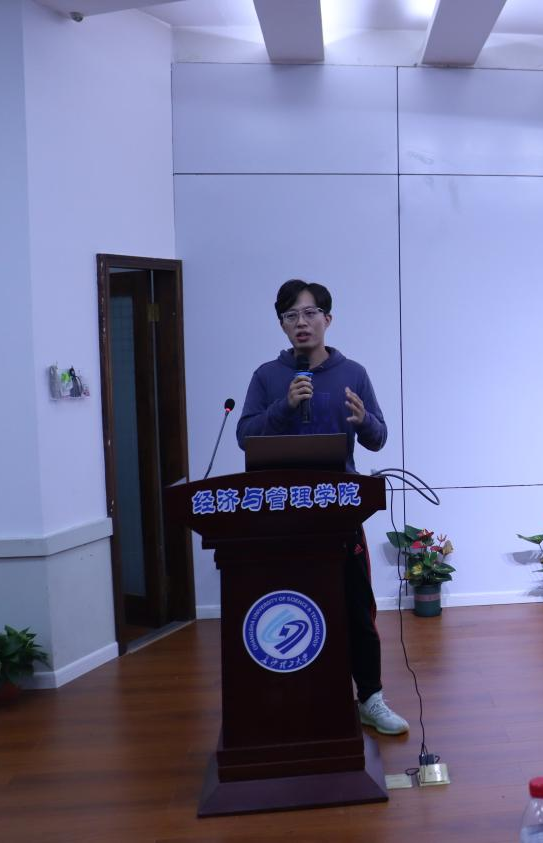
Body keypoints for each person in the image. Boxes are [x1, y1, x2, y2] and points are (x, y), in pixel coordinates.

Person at [236, 278, 408, 736]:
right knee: (289, 607)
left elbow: (378, 438)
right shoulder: (267, 377)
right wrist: (283, 407)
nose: (302, 323)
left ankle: (369, 698)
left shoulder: (353, 373)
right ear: (282, 325)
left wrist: (363, 420)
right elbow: (244, 437)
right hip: (283, 514)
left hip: (340, 512)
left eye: (310, 313)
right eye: (291, 315)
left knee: (356, 610)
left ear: (327, 319)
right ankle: (291, 697)